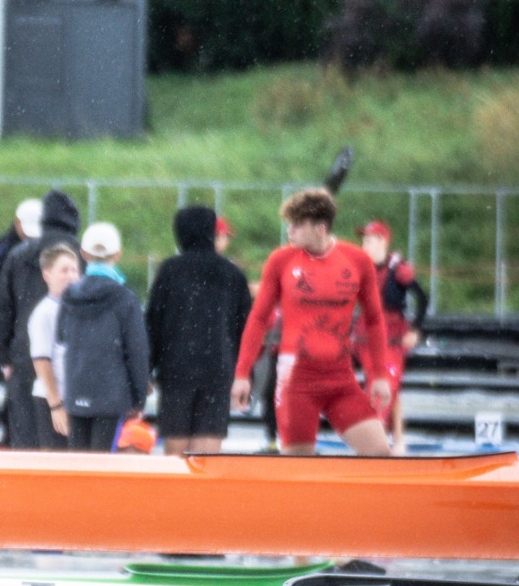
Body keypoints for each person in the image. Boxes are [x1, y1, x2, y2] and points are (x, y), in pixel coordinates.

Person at [230, 189, 392, 456]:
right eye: (289, 223)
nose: (290, 230)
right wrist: (242, 373)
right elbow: (258, 318)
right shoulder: (281, 260)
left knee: (380, 454)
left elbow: (374, 320)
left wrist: (380, 375)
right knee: (299, 464)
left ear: (320, 228)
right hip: (296, 381)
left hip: (340, 378)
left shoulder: (357, 260)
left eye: (297, 224)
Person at [146, 206, 253, 455]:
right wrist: (245, 373)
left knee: (176, 450)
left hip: (176, 370)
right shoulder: (232, 274)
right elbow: (246, 330)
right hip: (218, 369)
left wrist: (146, 369)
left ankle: (177, 482)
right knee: (207, 451)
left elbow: (153, 324)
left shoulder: (170, 271)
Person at [0, 190, 81, 449]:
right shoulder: (78, 256)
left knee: (25, 438)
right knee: (69, 447)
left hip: (24, 354)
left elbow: (2, 308)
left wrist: (5, 356)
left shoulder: (19, 254)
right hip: (70, 362)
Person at [56, 222, 150, 451]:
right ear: (118, 254)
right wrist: (139, 397)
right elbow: (137, 351)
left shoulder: (69, 296)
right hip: (112, 395)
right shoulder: (125, 299)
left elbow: (61, 336)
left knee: (78, 463)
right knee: (104, 462)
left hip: (76, 391)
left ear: (83, 253)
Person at [354, 219, 429, 445]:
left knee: (387, 383)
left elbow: (422, 298)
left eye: (369, 240)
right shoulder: (361, 268)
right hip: (366, 333)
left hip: (392, 334)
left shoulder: (399, 269)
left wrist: (415, 329)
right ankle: (392, 438)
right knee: (381, 384)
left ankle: (380, 438)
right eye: (364, 240)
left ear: (382, 242)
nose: (364, 244)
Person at [0, 199, 41, 446]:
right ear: (16, 223)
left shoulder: (42, 249)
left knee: (18, 392)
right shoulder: (0, 249)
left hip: (23, 329)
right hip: (1, 327)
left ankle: (9, 437)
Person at [27, 244, 81, 449]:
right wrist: (56, 405)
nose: (71, 276)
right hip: (53, 398)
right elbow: (41, 360)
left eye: (74, 270)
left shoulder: (78, 309)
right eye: (64, 271)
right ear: (47, 275)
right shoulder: (44, 312)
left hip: (76, 398)